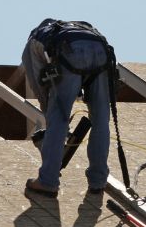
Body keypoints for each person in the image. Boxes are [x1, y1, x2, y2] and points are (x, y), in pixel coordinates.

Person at [21, 19, 113, 198]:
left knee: (58, 119)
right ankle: (98, 181)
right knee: (101, 119)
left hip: (70, 52)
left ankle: (48, 181)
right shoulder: (75, 29)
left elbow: (41, 88)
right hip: (101, 50)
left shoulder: (32, 45)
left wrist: (54, 122)